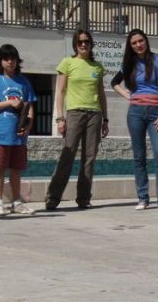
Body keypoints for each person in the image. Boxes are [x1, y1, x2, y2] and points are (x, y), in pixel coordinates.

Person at [111, 29, 158, 212]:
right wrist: (128, 95)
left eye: (140, 41)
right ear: (130, 46)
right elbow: (114, 82)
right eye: (134, 43)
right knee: (139, 157)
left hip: (156, 113)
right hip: (135, 113)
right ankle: (143, 198)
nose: (138, 45)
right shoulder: (129, 64)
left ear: (146, 41)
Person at [44, 30, 109, 210]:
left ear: (91, 43)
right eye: (80, 42)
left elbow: (102, 94)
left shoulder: (97, 67)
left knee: (89, 159)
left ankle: (83, 198)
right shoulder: (67, 63)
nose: (83, 44)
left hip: (94, 115)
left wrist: (106, 119)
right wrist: (59, 118)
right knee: (67, 155)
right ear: (75, 44)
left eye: (86, 41)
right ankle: (53, 198)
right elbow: (60, 92)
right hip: (74, 113)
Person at [0, 44, 36, 216]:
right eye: (6, 59)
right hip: (1, 133)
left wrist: (28, 125)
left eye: (13, 59)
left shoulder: (24, 81)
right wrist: (9, 103)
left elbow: (30, 106)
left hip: (19, 135)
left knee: (16, 169)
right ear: (0, 61)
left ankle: (16, 201)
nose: (10, 62)